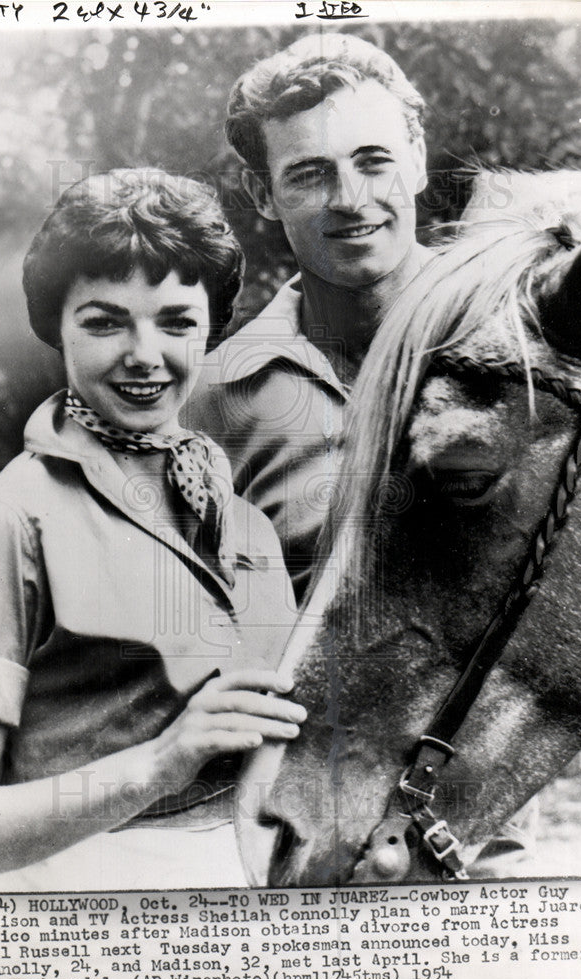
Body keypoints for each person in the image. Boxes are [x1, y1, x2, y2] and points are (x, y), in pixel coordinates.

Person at [0, 168, 303, 892]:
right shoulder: (2, 521)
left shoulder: (247, 531)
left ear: (212, 326)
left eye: (175, 321)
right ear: (56, 325)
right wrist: (158, 764)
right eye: (105, 321)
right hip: (66, 910)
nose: (145, 354)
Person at [184, 33, 431, 599]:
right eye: (309, 174)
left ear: (416, 160)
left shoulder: (519, 328)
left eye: (373, 162)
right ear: (263, 193)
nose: (349, 197)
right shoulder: (210, 401)